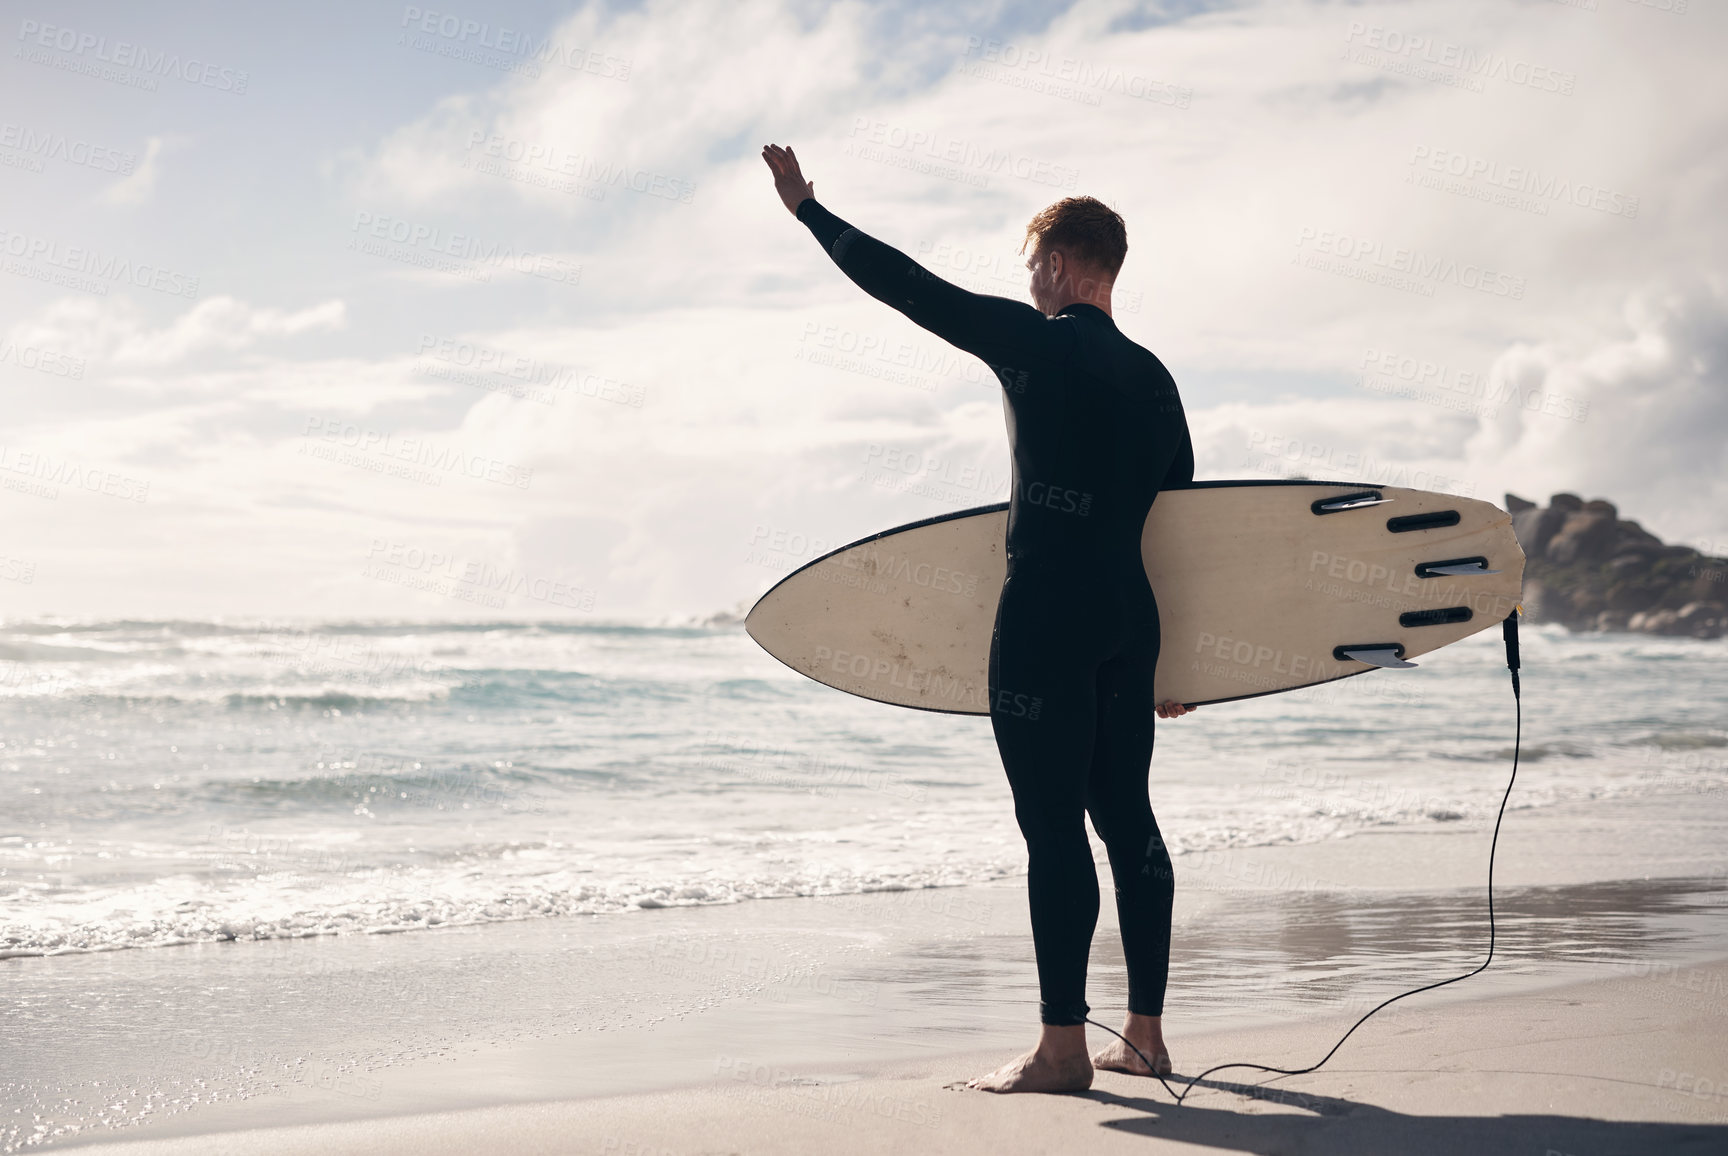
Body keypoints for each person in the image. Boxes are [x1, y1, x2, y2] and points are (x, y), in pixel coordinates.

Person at [762, 143, 1197, 1094]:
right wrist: (1185, 667)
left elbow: (912, 290)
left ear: (1057, 262)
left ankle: (1060, 1049)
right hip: (1132, 617)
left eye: (1032, 261)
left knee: (1052, 831)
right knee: (1130, 821)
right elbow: (1188, 516)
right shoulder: (1158, 379)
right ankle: (1147, 1036)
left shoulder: (1037, 343)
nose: (1029, 278)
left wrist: (810, 211)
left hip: (1047, 613)